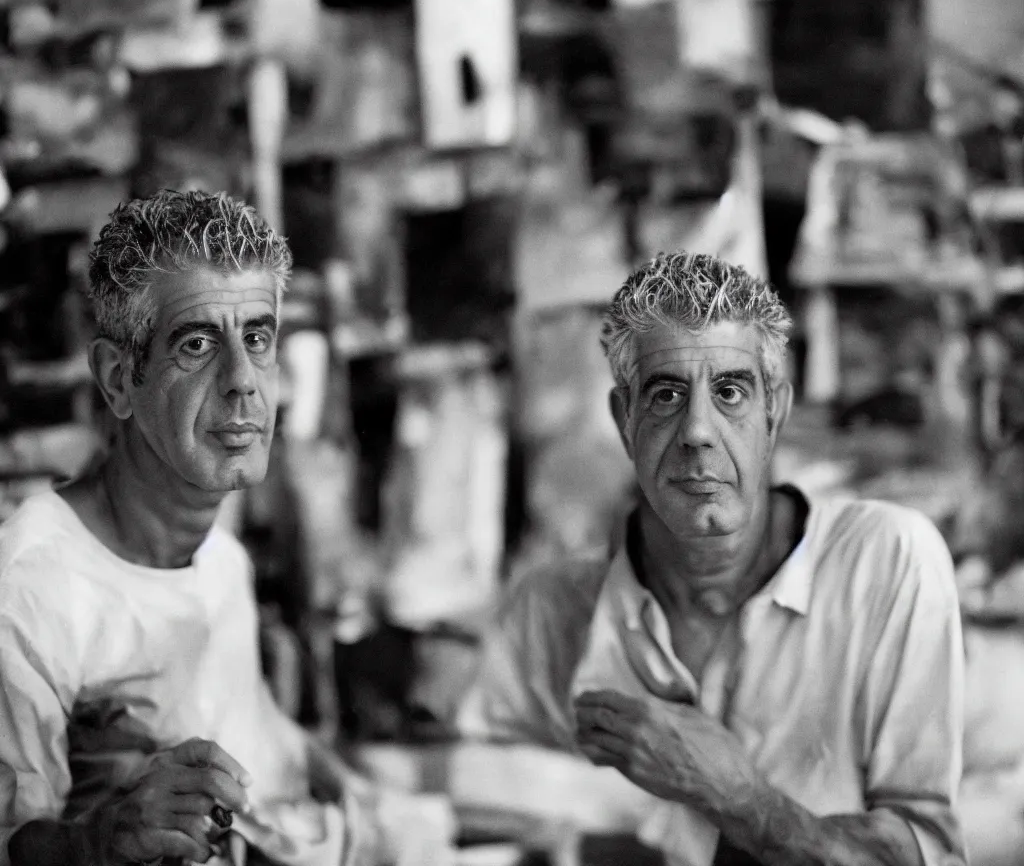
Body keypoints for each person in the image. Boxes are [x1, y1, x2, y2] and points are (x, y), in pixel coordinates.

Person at [457, 250, 965, 866]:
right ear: (625, 421)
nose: (698, 430)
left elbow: (928, 856)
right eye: (667, 394)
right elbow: (485, 824)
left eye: (730, 391)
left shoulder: (886, 562)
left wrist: (740, 800)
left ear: (774, 410)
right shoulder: (547, 614)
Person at [0, 191, 430, 866]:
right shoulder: (31, 590)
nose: (242, 383)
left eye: (257, 339)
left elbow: (255, 738)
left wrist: (347, 786)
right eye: (197, 344)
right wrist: (97, 842)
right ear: (118, 380)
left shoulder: (221, 557)